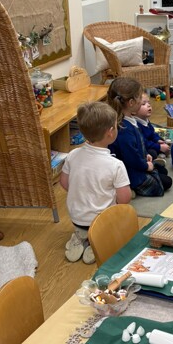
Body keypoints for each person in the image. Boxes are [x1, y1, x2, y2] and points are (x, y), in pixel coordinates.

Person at [60, 101, 131, 264]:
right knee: (122, 213)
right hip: (101, 221)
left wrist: (81, 190)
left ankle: (80, 237)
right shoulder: (115, 165)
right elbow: (125, 199)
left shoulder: (72, 155)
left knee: (83, 225)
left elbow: (64, 183)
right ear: (110, 132)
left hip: (76, 217)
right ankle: (96, 242)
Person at [107, 78, 171, 196]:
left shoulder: (128, 120)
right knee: (167, 182)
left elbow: (136, 146)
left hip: (135, 163)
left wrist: (145, 155)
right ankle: (130, 188)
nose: (142, 101)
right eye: (140, 99)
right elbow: (131, 158)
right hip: (131, 172)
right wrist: (146, 166)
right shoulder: (124, 130)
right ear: (131, 103)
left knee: (163, 171)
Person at [134, 91, 171, 165]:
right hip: (145, 146)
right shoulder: (137, 125)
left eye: (149, 103)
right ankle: (157, 159)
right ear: (133, 110)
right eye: (143, 104)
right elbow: (144, 142)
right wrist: (159, 147)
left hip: (150, 142)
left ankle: (162, 152)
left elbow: (152, 133)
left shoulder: (146, 120)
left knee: (162, 140)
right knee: (152, 152)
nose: (148, 106)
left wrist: (158, 140)